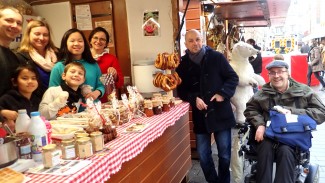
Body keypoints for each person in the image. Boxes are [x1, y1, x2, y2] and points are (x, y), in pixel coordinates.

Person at [244, 60, 325, 183]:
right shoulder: (262, 93)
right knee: (264, 148)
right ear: (269, 75)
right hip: (268, 134)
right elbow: (251, 109)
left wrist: (293, 112)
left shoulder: (304, 91)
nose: (276, 76)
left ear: (288, 74)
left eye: (280, 72)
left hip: (292, 137)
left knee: (286, 151)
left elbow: (321, 112)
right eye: (272, 73)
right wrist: (259, 124)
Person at [176, 29, 239, 183]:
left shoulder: (216, 57)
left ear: (202, 40)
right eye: (191, 40)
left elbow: (232, 77)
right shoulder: (183, 64)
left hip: (220, 112)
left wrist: (222, 94)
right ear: (185, 43)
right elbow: (181, 90)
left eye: (197, 39)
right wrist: (193, 98)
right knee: (203, 156)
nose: (195, 43)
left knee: (224, 155)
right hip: (200, 114)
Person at [49, 28, 105, 109]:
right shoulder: (59, 67)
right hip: (69, 114)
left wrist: (97, 92)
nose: (76, 44)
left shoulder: (93, 64)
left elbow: (101, 86)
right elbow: (52, 93)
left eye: (80, 41)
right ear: (65, 44)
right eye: (72, 41)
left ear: (84, 44)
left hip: (93, 110)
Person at [16, 19, 58, 97]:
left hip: (59, 100)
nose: (41, 38)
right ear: (28, 35)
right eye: (37, 34)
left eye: (45, 35)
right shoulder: (20, 57)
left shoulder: (58, 54)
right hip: (35, 102)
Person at [0, 6, 24, 128]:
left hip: (9, 124)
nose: (14, 25)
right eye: (9, 20)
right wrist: (1, 112)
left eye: (19, 23)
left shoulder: (14, 57)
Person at [0, 64, 41, 131]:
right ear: (14, 82)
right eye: (25, 78)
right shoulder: (7, 98)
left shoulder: (37, 99)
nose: (30, 81)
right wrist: (2, 113)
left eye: (33, 78)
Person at [88, 27, 124, 103]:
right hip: (86, 98)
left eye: (102, 39)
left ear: (106, 43)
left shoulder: (111, 59)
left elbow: (120, 83)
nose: (98, 41)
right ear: (90, 40)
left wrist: (115, 75)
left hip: (106, 100)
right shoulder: (83, 58)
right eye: (95, 38)